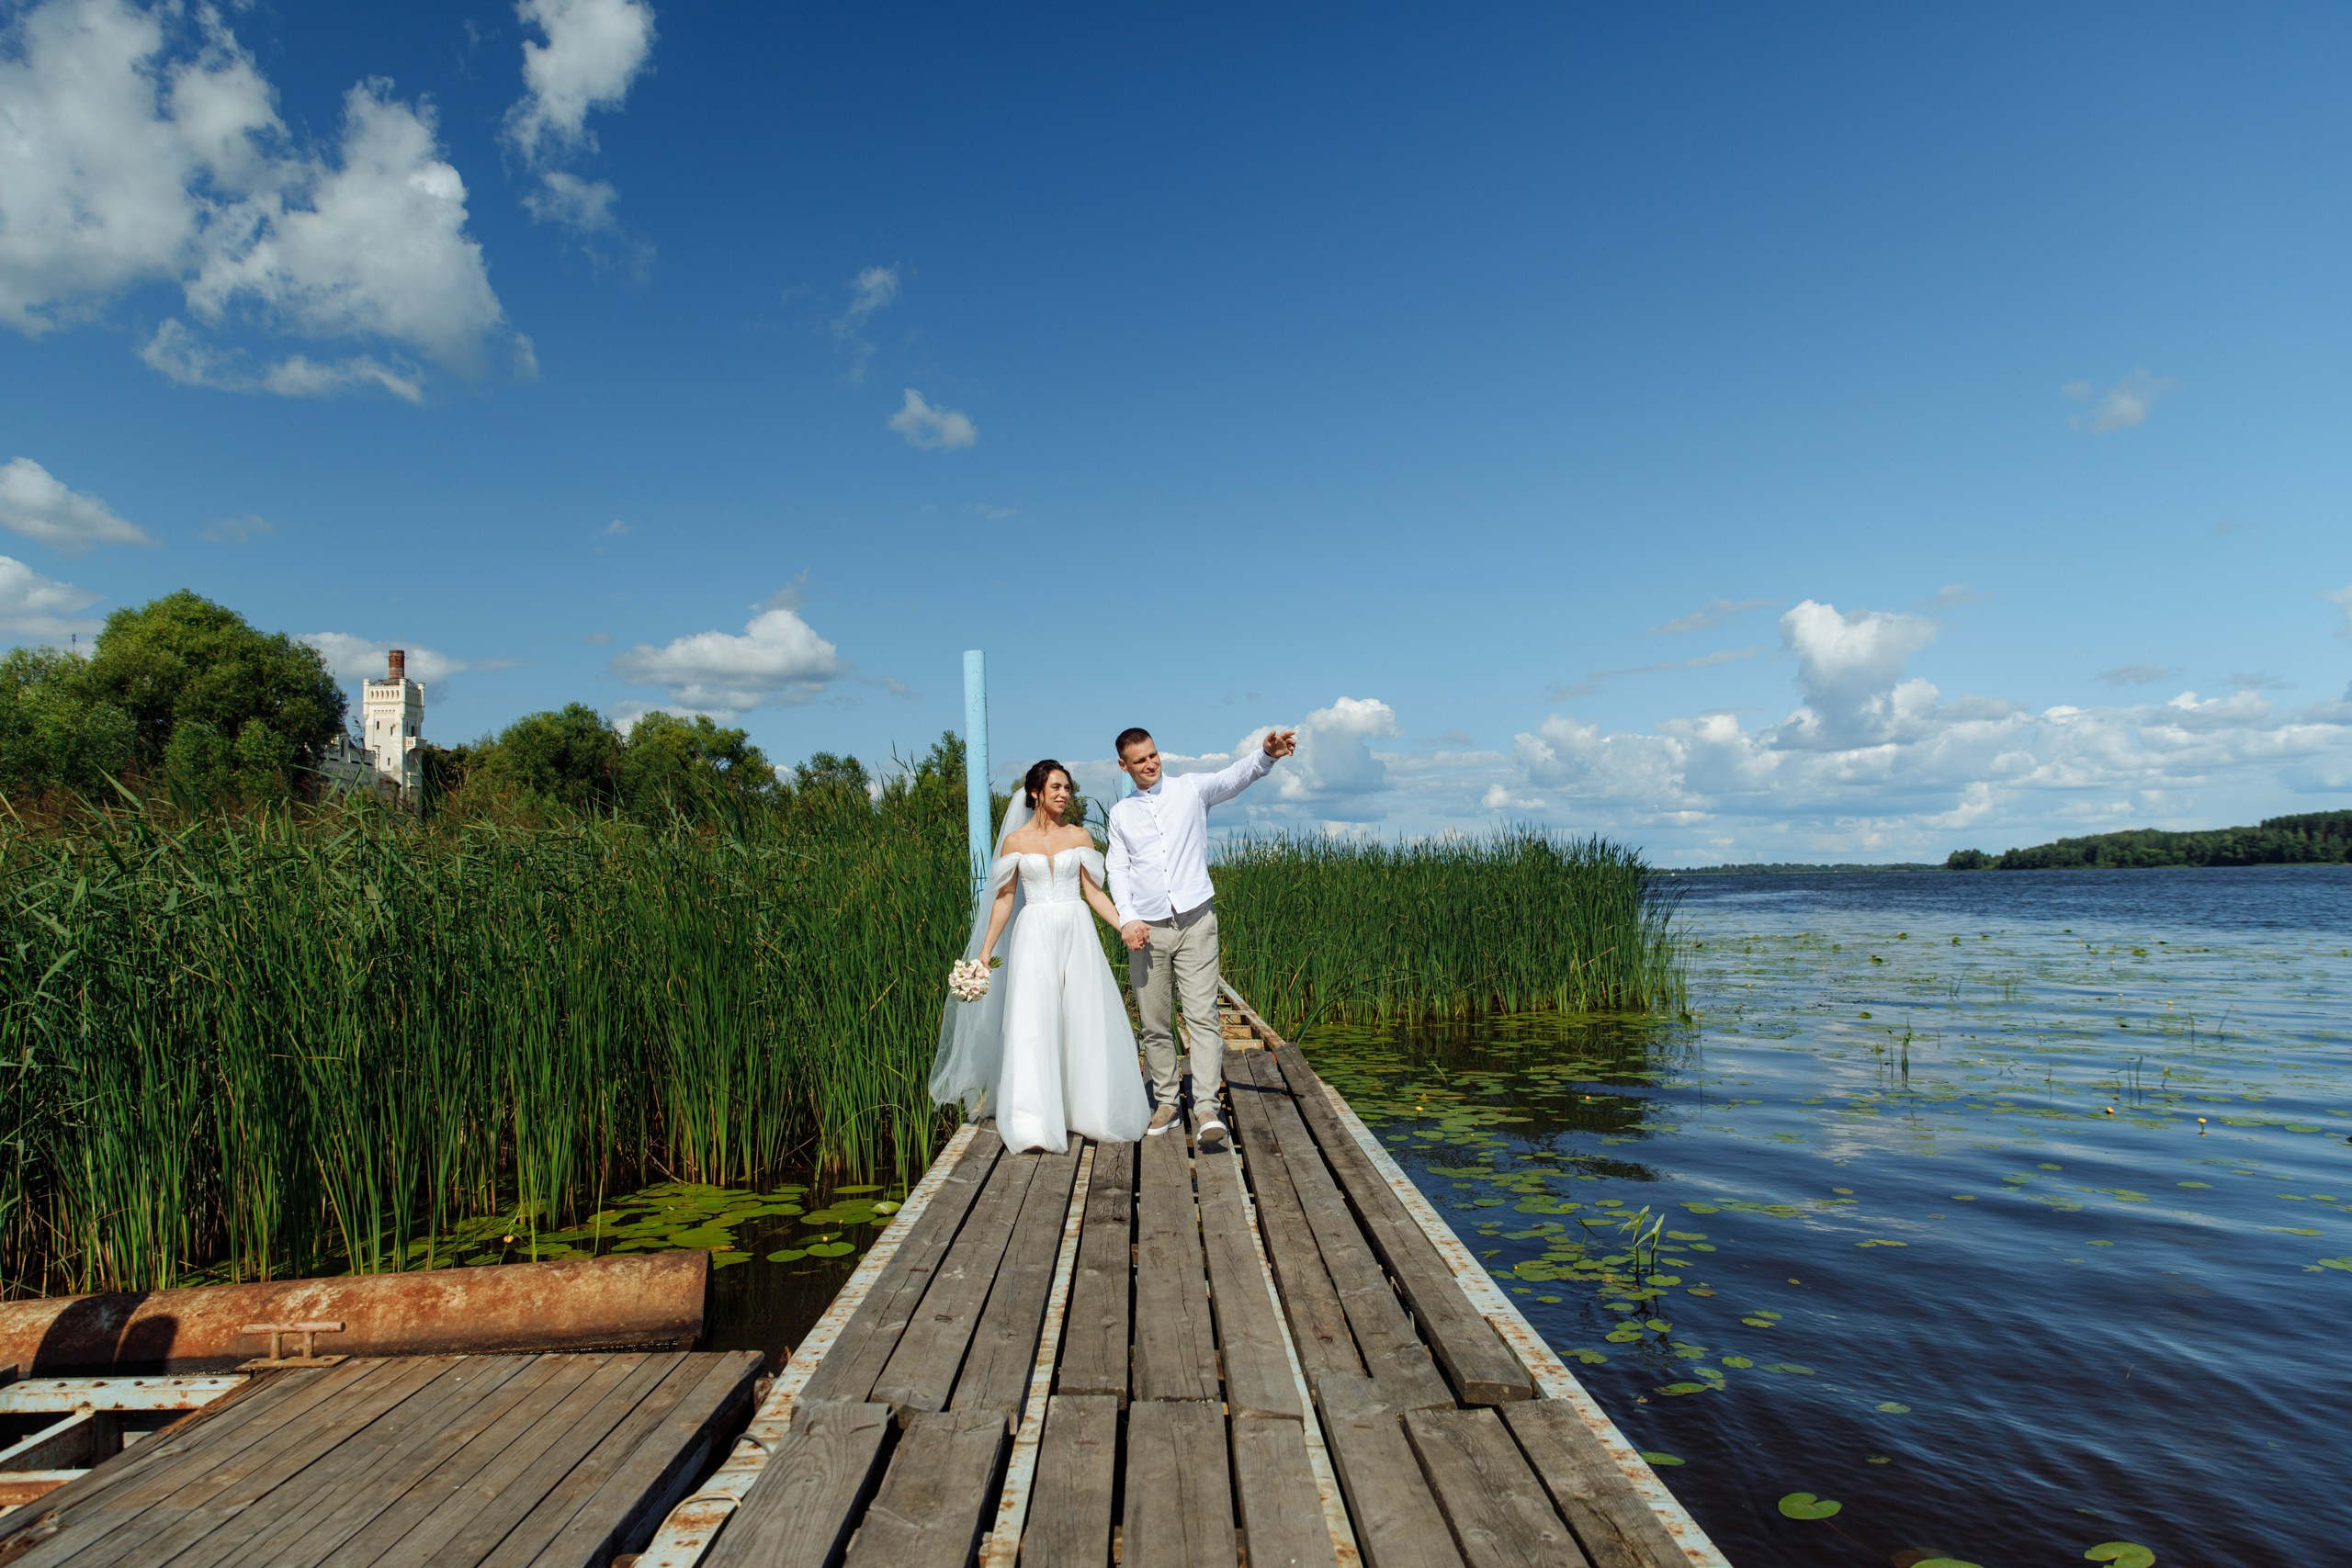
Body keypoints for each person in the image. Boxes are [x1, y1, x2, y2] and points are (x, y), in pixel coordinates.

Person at [929, 760, 1151, 1152]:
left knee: (1082, 1015)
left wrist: (1124, 926)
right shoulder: (1016, 842)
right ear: (1036, 793)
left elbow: (1094, 893)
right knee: (1034, 1018)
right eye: (1056, 788)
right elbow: (1004, 899)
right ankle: (1033, 1121)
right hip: (1033, 933)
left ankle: (1089, 1110)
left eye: (1068, 788)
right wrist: (984, 953)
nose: (1065, 794)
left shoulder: (1080, 836)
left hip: (1075, 928)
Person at [1105, 724, 1297, 1145]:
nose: (1150, 764)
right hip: (1148, 931)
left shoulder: (1190, 789)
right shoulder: (1121, 815)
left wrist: (1265, 755)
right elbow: (1116, 871)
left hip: (1196, 920)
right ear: (1124, 766)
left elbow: (1232, 778)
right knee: (1155, 1022)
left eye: (1153, 755)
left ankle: (1207, 1106)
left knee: (1203, 1017)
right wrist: (1127, 919)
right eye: (1140, 761)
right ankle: (1168, 1103)